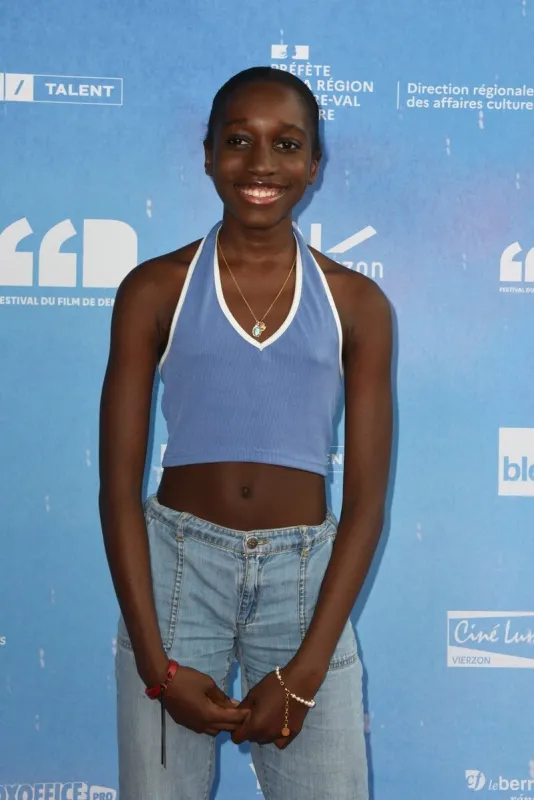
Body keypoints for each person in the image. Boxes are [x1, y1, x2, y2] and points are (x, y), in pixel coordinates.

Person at [99, 66, 393, 800]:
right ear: (207, 154)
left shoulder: (358, 303)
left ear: (315, 165)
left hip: (306, 588)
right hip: (174, 577)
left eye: (287, 145)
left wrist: (308, 669)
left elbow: (364, 507)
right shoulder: (154, 289)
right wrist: (154, 663)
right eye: (239, 140)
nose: (262, 165)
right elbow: (115, 491)